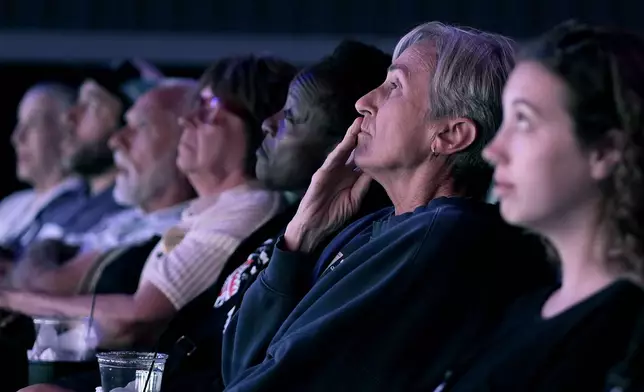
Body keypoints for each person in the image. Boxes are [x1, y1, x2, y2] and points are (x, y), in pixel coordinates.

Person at [221, 22, 554, 391]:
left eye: (394, 86)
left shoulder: (440, 237)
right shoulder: (378, 226)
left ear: (449, 135)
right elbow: (238, 370)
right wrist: (301, 233)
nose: (364, 102)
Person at [14, 54, 297, 392]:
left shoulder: (247, 207)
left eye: (209, 108)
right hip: (142, 366)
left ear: (257, 125)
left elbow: (136, 319)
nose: (188, 121)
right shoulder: (202, 212)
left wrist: (14, 300)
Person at [158, 40, 392, 392]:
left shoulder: (353, 250)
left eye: (292, 116)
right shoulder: (282, 225)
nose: (268, 123)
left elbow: (246, 372)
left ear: (347, 146)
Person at [433, 21, 644, 392]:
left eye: (524, 121)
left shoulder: (628, 341)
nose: (493, 150)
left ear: (605, 151)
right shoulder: (522, 307)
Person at [7, 82, 198, 296]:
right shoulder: (129, 219)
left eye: (140, 127)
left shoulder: (180, 233)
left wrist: (42, 251)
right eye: (126, 125)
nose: (116, 140)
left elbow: (47, 285)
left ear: (186, 143)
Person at [0, 84, 84, 256]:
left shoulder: (83, 205)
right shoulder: (10, 205)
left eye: (34, 122)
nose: (18, 137)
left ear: (68, 129)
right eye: (19, 123)